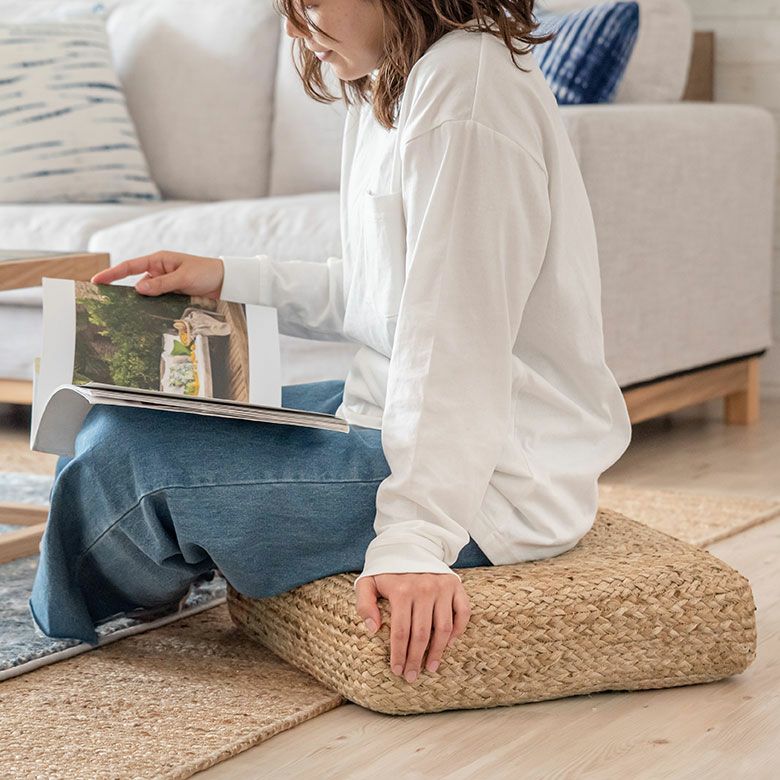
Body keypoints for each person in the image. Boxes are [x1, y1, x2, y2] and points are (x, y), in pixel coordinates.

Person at [28, 0, 632, 685]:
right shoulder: (395, 80)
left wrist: (413, 540)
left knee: (125, 460)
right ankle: (161, 566)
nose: (292, 28)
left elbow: (455, 346)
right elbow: (381, 295)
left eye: (309, 2)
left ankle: (72, 612)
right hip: (391, 413)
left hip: (494, 473)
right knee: (112, 410)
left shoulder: (466, 93)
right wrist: (223, 278)